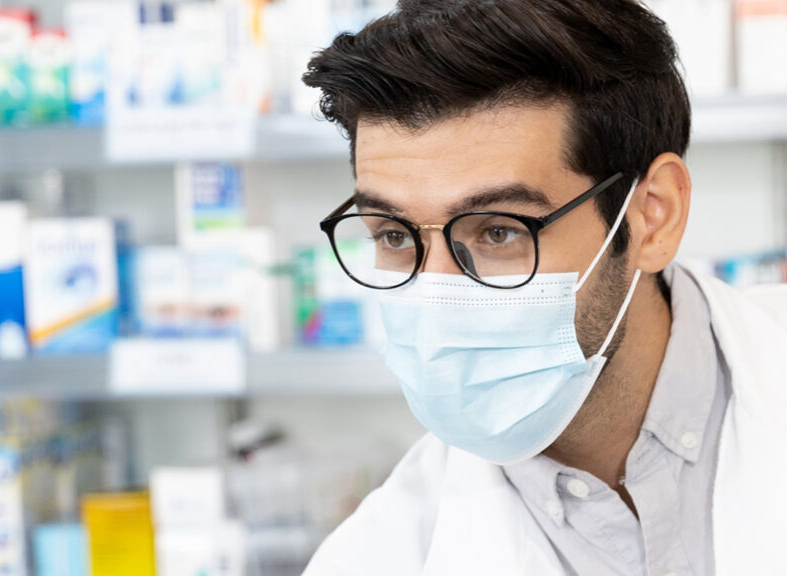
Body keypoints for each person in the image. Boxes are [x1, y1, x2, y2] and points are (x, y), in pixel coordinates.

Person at [301, 1, 787, 575]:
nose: (438, 294)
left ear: (653, 216)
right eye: (394, 235)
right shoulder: (376, 557)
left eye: (499, 231)